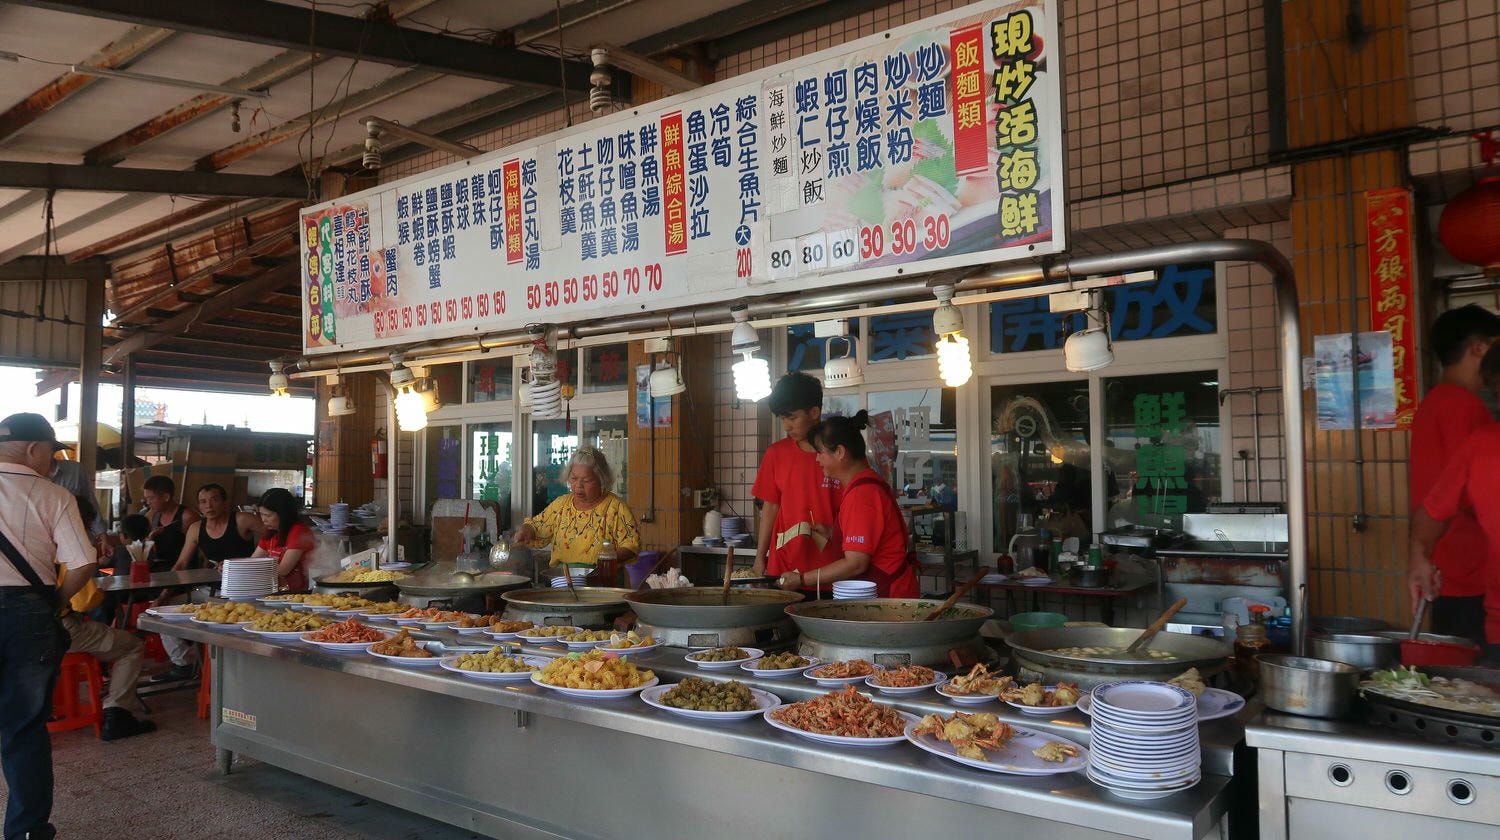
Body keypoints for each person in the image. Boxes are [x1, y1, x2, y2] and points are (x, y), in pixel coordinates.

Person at [0, 412, 96, 840]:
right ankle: (26, 831)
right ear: (33, 448)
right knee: (23, 728)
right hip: (28, 615)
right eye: (51, 454)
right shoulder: (54, 495)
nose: (52, 463)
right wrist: (55, 602)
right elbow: (83, 562)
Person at [1406, 304, 1500, 645]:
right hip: (1469, 569)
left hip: (1445, 564)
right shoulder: (1466, 407)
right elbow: (1478, 491)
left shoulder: (1434, 401)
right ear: (1478, 348)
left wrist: (1420, 552)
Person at [778, 411, 919, 598]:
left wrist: (801, 579)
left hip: (889, 598)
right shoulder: (863, 485)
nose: (817, 459)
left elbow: (856, 563)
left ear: (840, 452)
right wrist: (833, 534)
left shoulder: (862, 494)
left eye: (820, 452)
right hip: (884, 592)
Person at [62, 496, 155, 740]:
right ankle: (117, 713)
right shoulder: (70, 545)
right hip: (60, 630)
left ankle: (52, 708)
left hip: (18, 630)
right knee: (132, 646)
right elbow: (85, 601)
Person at [150, 484, 262, 685]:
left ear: (225, 502)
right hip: (209, 591)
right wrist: (163, 596)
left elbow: (275, 536)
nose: (209, 505)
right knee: (161, 612)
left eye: (214, 499)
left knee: (222, 623)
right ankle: (183, 662)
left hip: (242, 592)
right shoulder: (196, 529)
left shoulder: (242, 520)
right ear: (199, 506)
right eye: (203, 502)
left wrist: (243, 563)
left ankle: (226, 673)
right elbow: (181, 564)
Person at [749, 372, 844, 587]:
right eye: (783, 419)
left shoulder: (839, 454)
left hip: (832, 570)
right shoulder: (776, 454)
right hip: (784, 568)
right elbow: (770, 508)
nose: (787, 426)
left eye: (792, 418)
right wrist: (759, 558)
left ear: (814, 412)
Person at [514, 447, 639, 584]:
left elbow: (631, 545)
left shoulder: (615, 507)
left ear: (602, 480)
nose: (578, 485)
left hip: (603, 581)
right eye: (573, 478)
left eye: (586, 480)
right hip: (563, 580)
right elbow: (538, 527)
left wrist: (609, 558)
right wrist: (527, 529)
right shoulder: (561, 505)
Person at [251, 488, 315, 594]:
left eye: (268, 515)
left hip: (299, 593)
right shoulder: (271, 532)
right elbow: (253, 561)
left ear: (283, 514)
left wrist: (252, 568)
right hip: (276, 591)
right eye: (261, 514)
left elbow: (282, 570)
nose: (263, 519)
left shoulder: (299, 531)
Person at [141, 475, 199, 573]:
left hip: (183, 572)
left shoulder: (187, 517)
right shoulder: (151, 515)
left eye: (151, 498)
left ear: (166, 497)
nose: (148, 502)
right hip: (157, 570)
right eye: (147, 499)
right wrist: (150, 538)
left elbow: (199, 551)